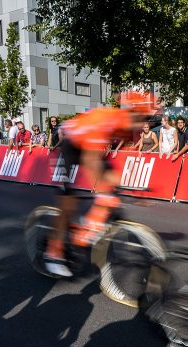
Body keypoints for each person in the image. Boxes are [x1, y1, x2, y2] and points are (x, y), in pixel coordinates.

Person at [43, 91, 154, 277]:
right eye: (144, 117)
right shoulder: (107, 120)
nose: (146, 123)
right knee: (68, 204)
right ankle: (53, 253)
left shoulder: (128, 128)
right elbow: (90, 160)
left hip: (89, 147)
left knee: (111, 190)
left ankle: (88, 225)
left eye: (148, 118)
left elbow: (120, 162)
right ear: (133, 113)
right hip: (72, 146)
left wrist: (135, 191)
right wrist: (103, 193)